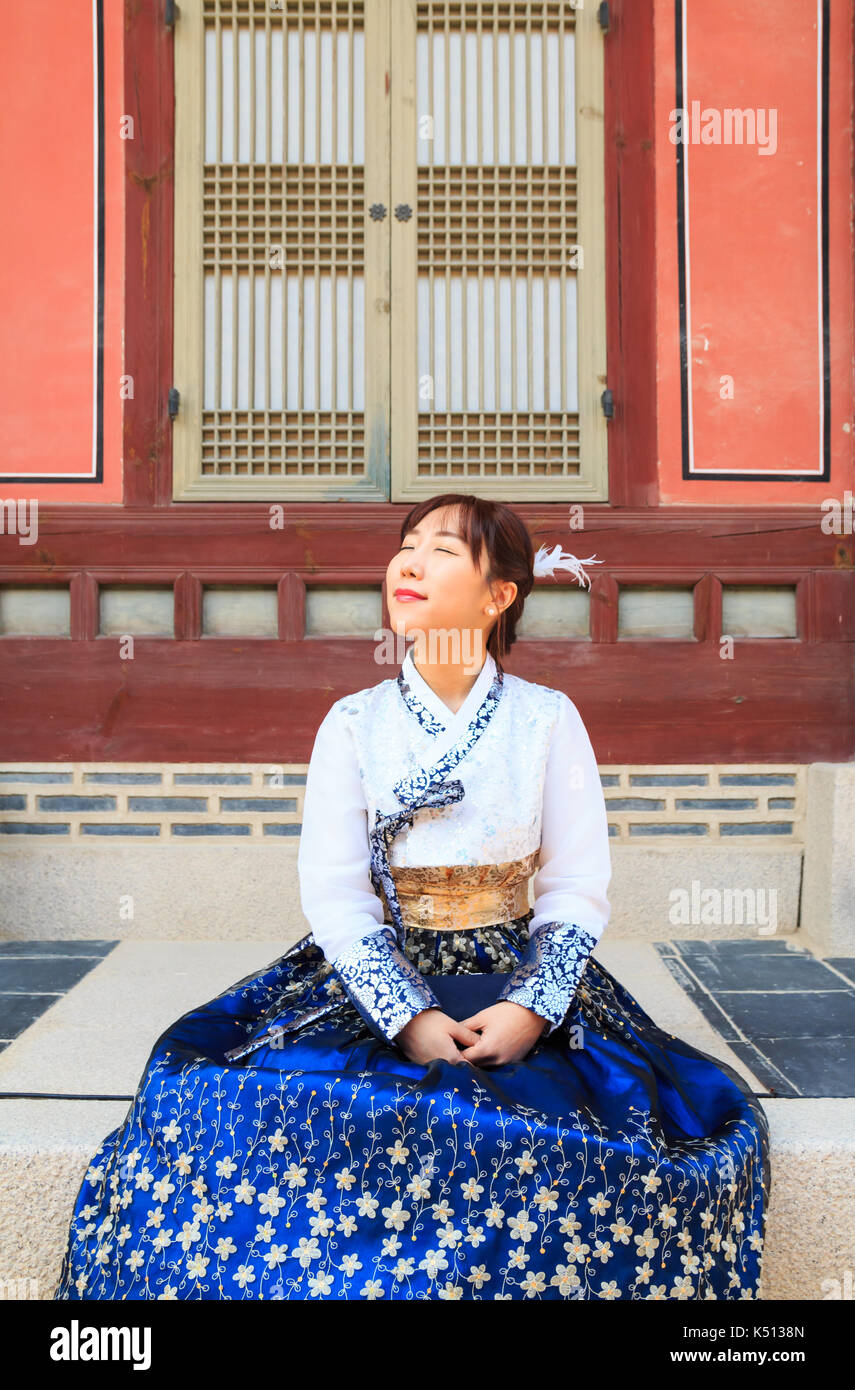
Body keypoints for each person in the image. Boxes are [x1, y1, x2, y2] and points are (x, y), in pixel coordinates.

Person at [53, 493, 770, 1301]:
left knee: (620, 1142)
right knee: (216, 1098)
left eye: (442, 550)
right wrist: (405, 1016)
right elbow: (334, 894)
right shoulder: (354, 722)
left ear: (499, 595)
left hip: (515, 970)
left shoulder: (546, 719)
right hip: (374, 975)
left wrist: (532, 1007)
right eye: (406, 545)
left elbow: (574, 884)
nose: (409, 561)